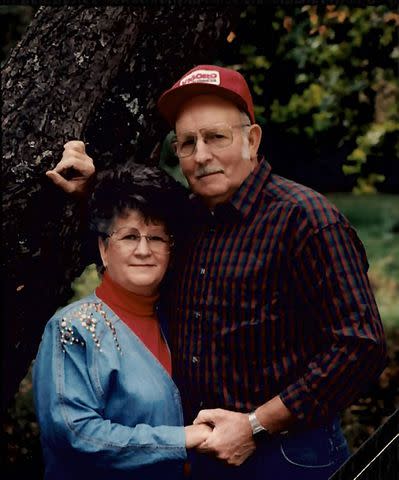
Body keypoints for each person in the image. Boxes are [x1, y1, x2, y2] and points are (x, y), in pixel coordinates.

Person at [47, 65, 387, 479]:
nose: (202, 155)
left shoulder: (306, 219)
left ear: (252, 139)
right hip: (202, 455)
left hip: (287, 454)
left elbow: (360, 345)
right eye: (187, 143)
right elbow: (133, 232)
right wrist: (91, 187)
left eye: (216, 137)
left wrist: (257, 423)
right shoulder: (187, 218)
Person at [33, 164, 212, 480]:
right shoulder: (71, 329)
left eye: (156, 238)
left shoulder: (178, 320)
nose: (144, 250)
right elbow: (74, 435)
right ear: (103, 249)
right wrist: (180, 439)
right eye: (130, 236)